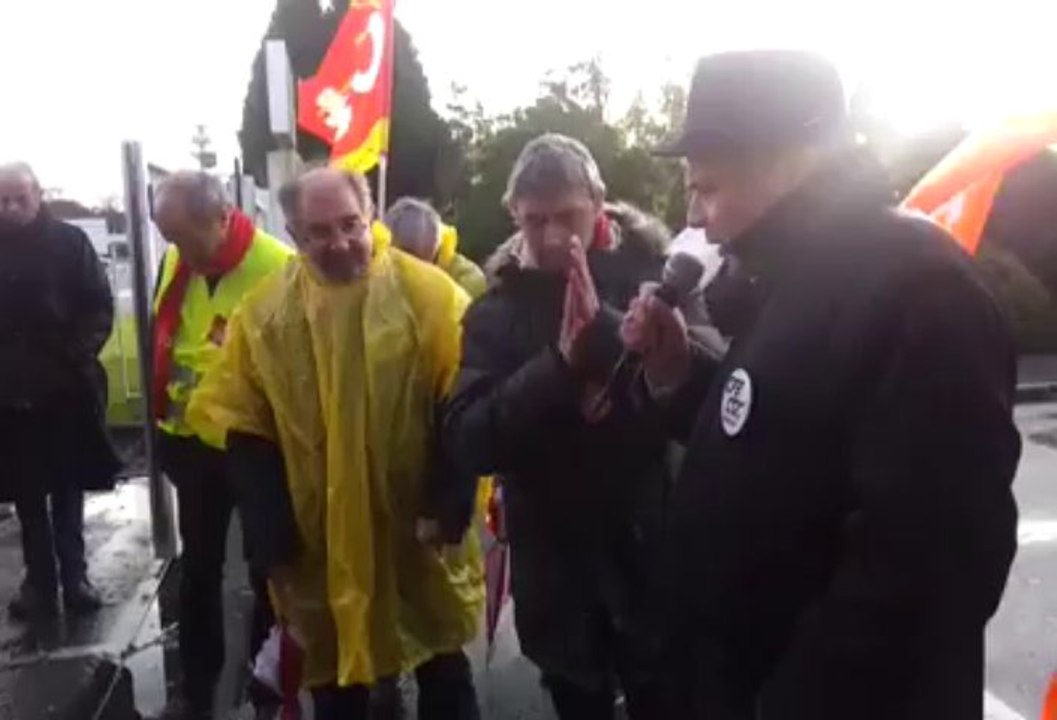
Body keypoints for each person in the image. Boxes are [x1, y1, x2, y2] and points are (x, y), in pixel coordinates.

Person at [620, 50, 1021, 719]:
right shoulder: (793, 281)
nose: (697, 218)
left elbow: (923, 576)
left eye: (709, 188)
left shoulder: (919, 288)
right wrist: (680, 379)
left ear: (789, 161)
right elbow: (782, 442)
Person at [186, 167, 483, 720]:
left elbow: (464, 403)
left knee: (441, 663)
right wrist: (270, 539)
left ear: (371, 215)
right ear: (296, 236)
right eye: (319, 232)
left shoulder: (429, 297)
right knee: (332, 675)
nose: (340, 242)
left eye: (351, 224)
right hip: (316, 537)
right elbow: (247, 428)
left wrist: (449, 499)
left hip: (415, 529)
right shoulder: (267, 315)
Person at [443, 134, 672, 719]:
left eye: (566, 217)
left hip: (650, 546)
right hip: (554, 561)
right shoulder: (495, 311)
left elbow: (703, 389)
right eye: (534, 220)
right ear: (514, 217)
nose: (550, 238)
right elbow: (469, 440)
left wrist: (608, 338)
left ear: (599, 203)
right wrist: (558, 370)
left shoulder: (656, 274)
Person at [150, 171, 293, 720]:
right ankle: (195, 687)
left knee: (267, 571)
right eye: (169, 238)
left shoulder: (276, 268)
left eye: (186, 237)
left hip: (253, 447)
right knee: (200, 572)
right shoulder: (177, 260)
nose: (177, 250)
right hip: (192, 447)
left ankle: (267, 686)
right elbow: (171, 341)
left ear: (224, 216)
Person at [0, 162, 119, 619]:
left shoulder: (69, 243)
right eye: (3, 199)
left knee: (68, 487)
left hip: (63, 387)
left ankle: (76, 576)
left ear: (37, 195)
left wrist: (75, 356)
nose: (10, 208)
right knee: (25, 491)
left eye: (19, 198)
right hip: (9, 392)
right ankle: (39, 581)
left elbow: (97, 305)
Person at [385, 197, 487, 298]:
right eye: (411, 258)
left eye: (432, 260)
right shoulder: (377, 275)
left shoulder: (467, 284)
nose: (420, 269)